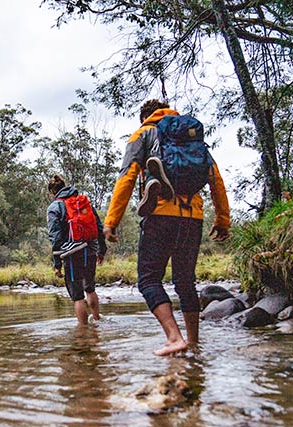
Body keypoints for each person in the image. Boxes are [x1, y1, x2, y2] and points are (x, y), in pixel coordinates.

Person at [102, 99, 230, 356]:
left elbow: (127, 176)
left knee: (149, 280)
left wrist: (111, 222)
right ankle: (194, 343)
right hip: (192, 216)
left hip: (160, 213)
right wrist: (222, 219)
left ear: (144, 117)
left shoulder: (143, 133)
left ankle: (174, 338)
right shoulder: (191, 136)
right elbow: (215, 177)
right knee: (185, 282)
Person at [47, 175, 107, 326]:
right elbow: (99, 228)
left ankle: (82, 331)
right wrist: (101, 250)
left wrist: (57, 264)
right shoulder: (84, 202)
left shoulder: (55, 207)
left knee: (78, 296)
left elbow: (55, 237)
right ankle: (97, 320)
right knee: (90, 288)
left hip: (72, 255)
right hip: (91, 250)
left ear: (52, 192)